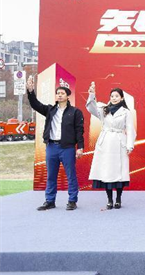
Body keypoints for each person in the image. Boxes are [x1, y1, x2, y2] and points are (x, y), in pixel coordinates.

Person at [26, 75, 84, 211]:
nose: (59, 95)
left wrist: (80, 147)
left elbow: (79, 131)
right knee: (51, 175)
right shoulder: (50, 110)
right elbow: (35, 104)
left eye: (62, 93)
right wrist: (30, 91)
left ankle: (72, 200)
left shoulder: (75, 112)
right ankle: (50, 200)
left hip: (67, 148)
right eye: (58, 93)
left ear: (68, 96)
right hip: (51, 146)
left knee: (71, 175)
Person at [86, 82, 136, 209]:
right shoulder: (104, 109)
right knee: (106, 171)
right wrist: (92, 94)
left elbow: (130, 129)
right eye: (112, 96)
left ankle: (118, 198)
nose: (114, 98)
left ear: (122, 98)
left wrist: (130, 146)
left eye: (117, 96)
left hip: (119, 142)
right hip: (106, 142)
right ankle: (109, 199)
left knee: (120, 172)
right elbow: (91, 108)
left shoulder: (126, 112)